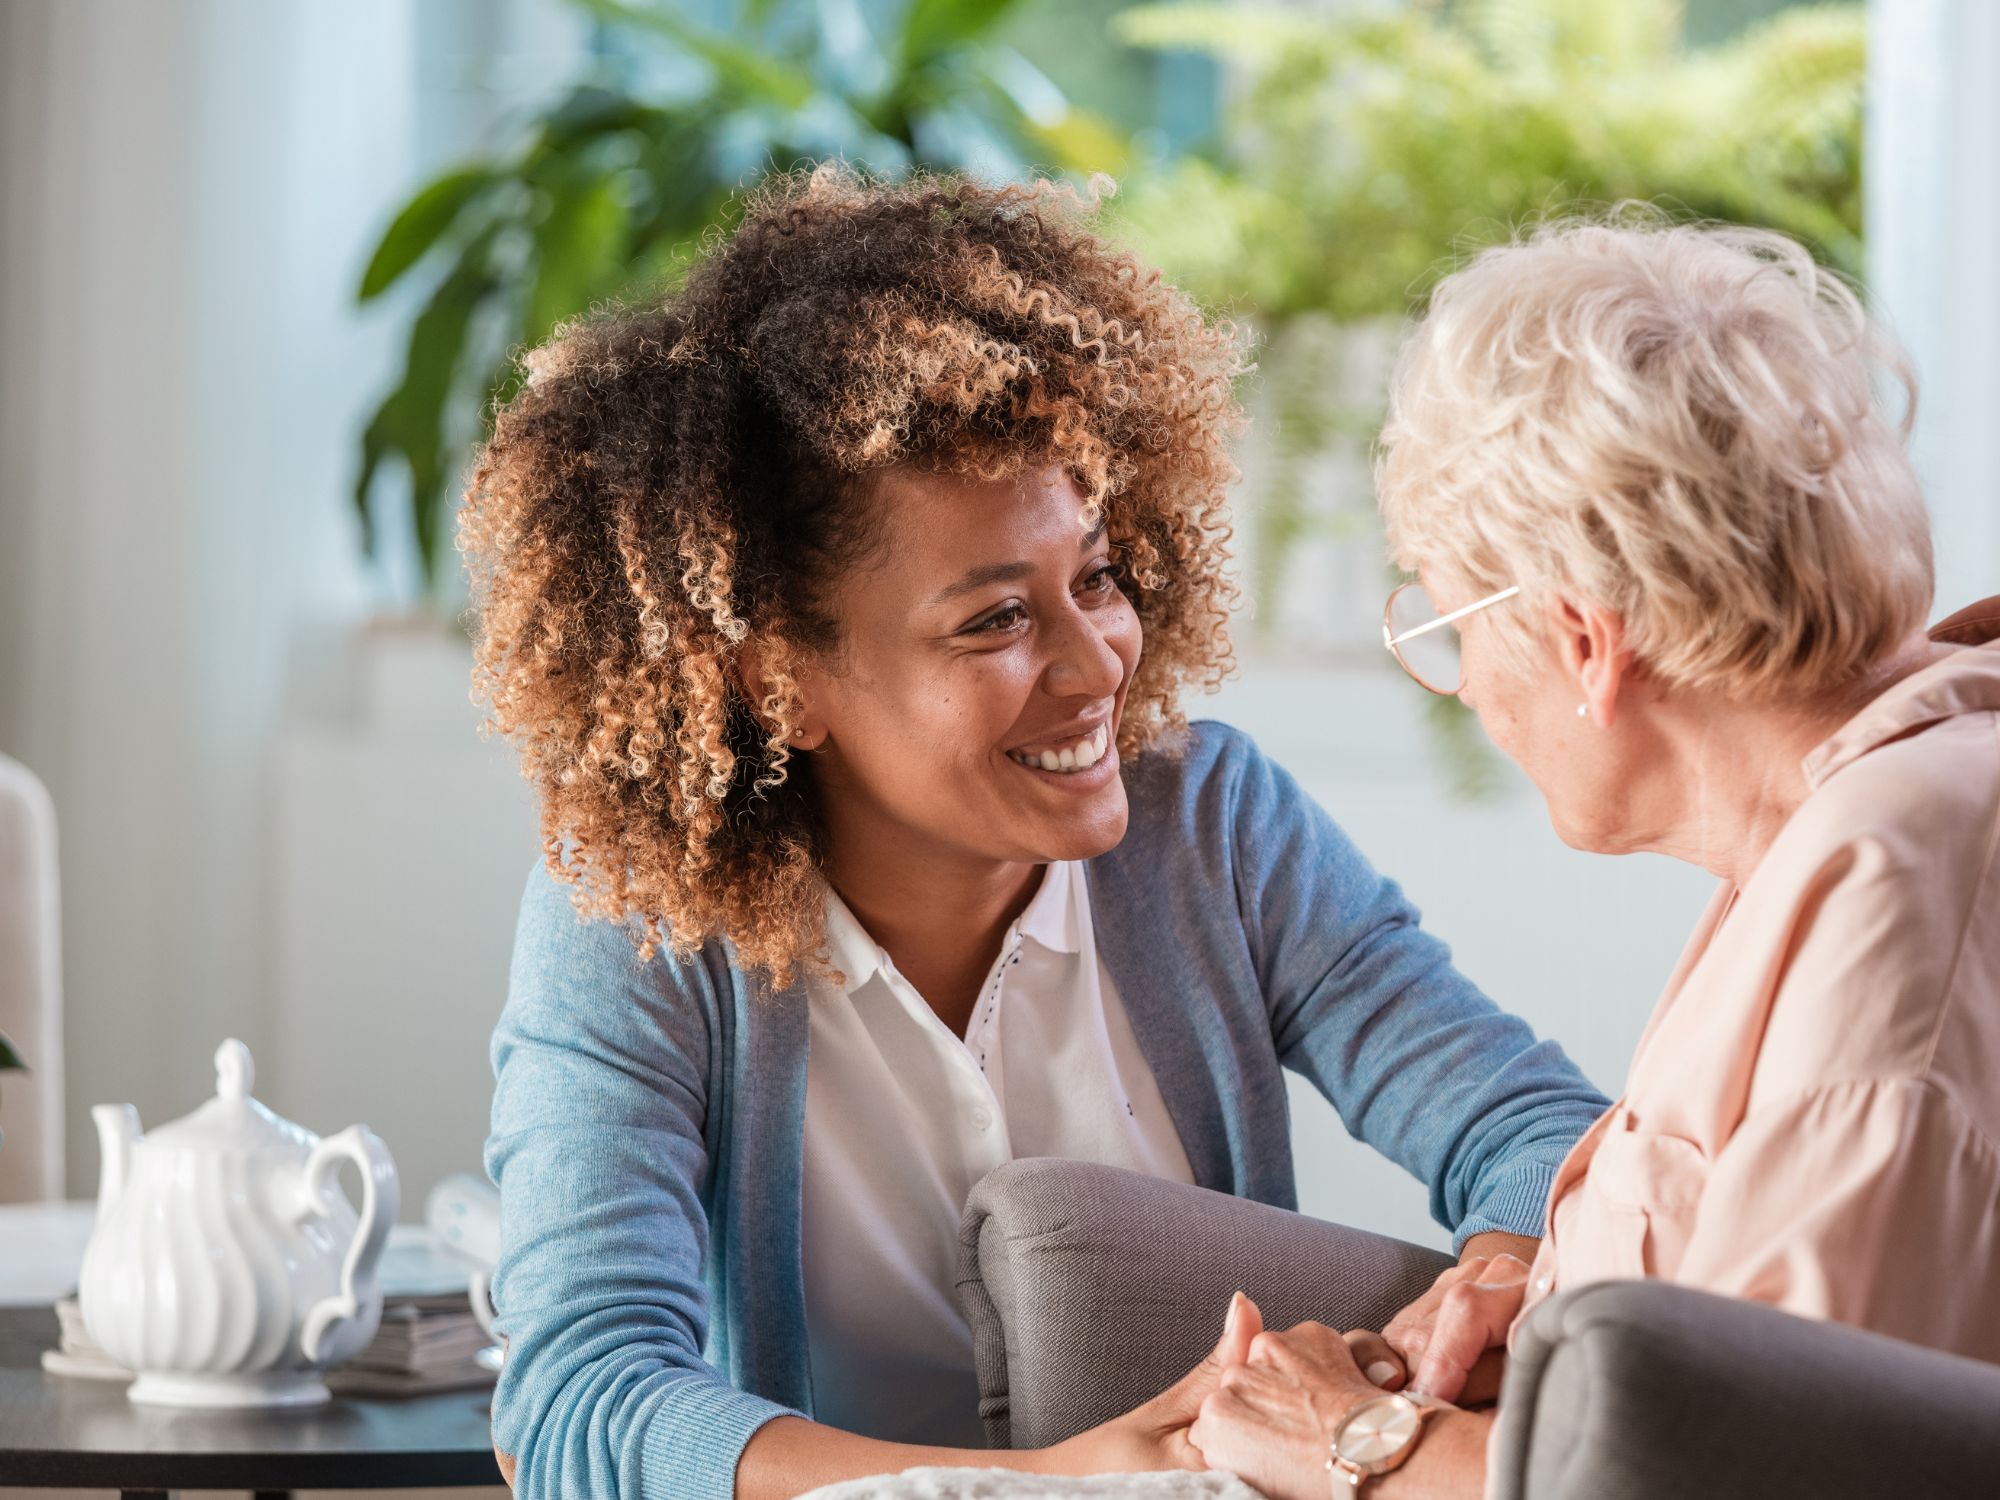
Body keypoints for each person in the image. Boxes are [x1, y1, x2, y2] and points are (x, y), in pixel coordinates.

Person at [465, 166, 1607, 1500]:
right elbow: (579, 1397)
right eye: (995, 620)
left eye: (1098, 577)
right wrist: (1042, 1488)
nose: (1098, 663)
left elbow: (1538, 1134)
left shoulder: (1214, 828)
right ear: (781, 680)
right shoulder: (641, 917)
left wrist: (1487, 1288)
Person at [1185, 214, 2000, 1499]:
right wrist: (1550, 1321)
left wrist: (1359, 1443)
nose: (1459, 688)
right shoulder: (1844, 819)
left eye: (1448, 620)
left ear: (1581, 640)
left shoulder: (1894, 876)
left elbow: (1782, 1472)